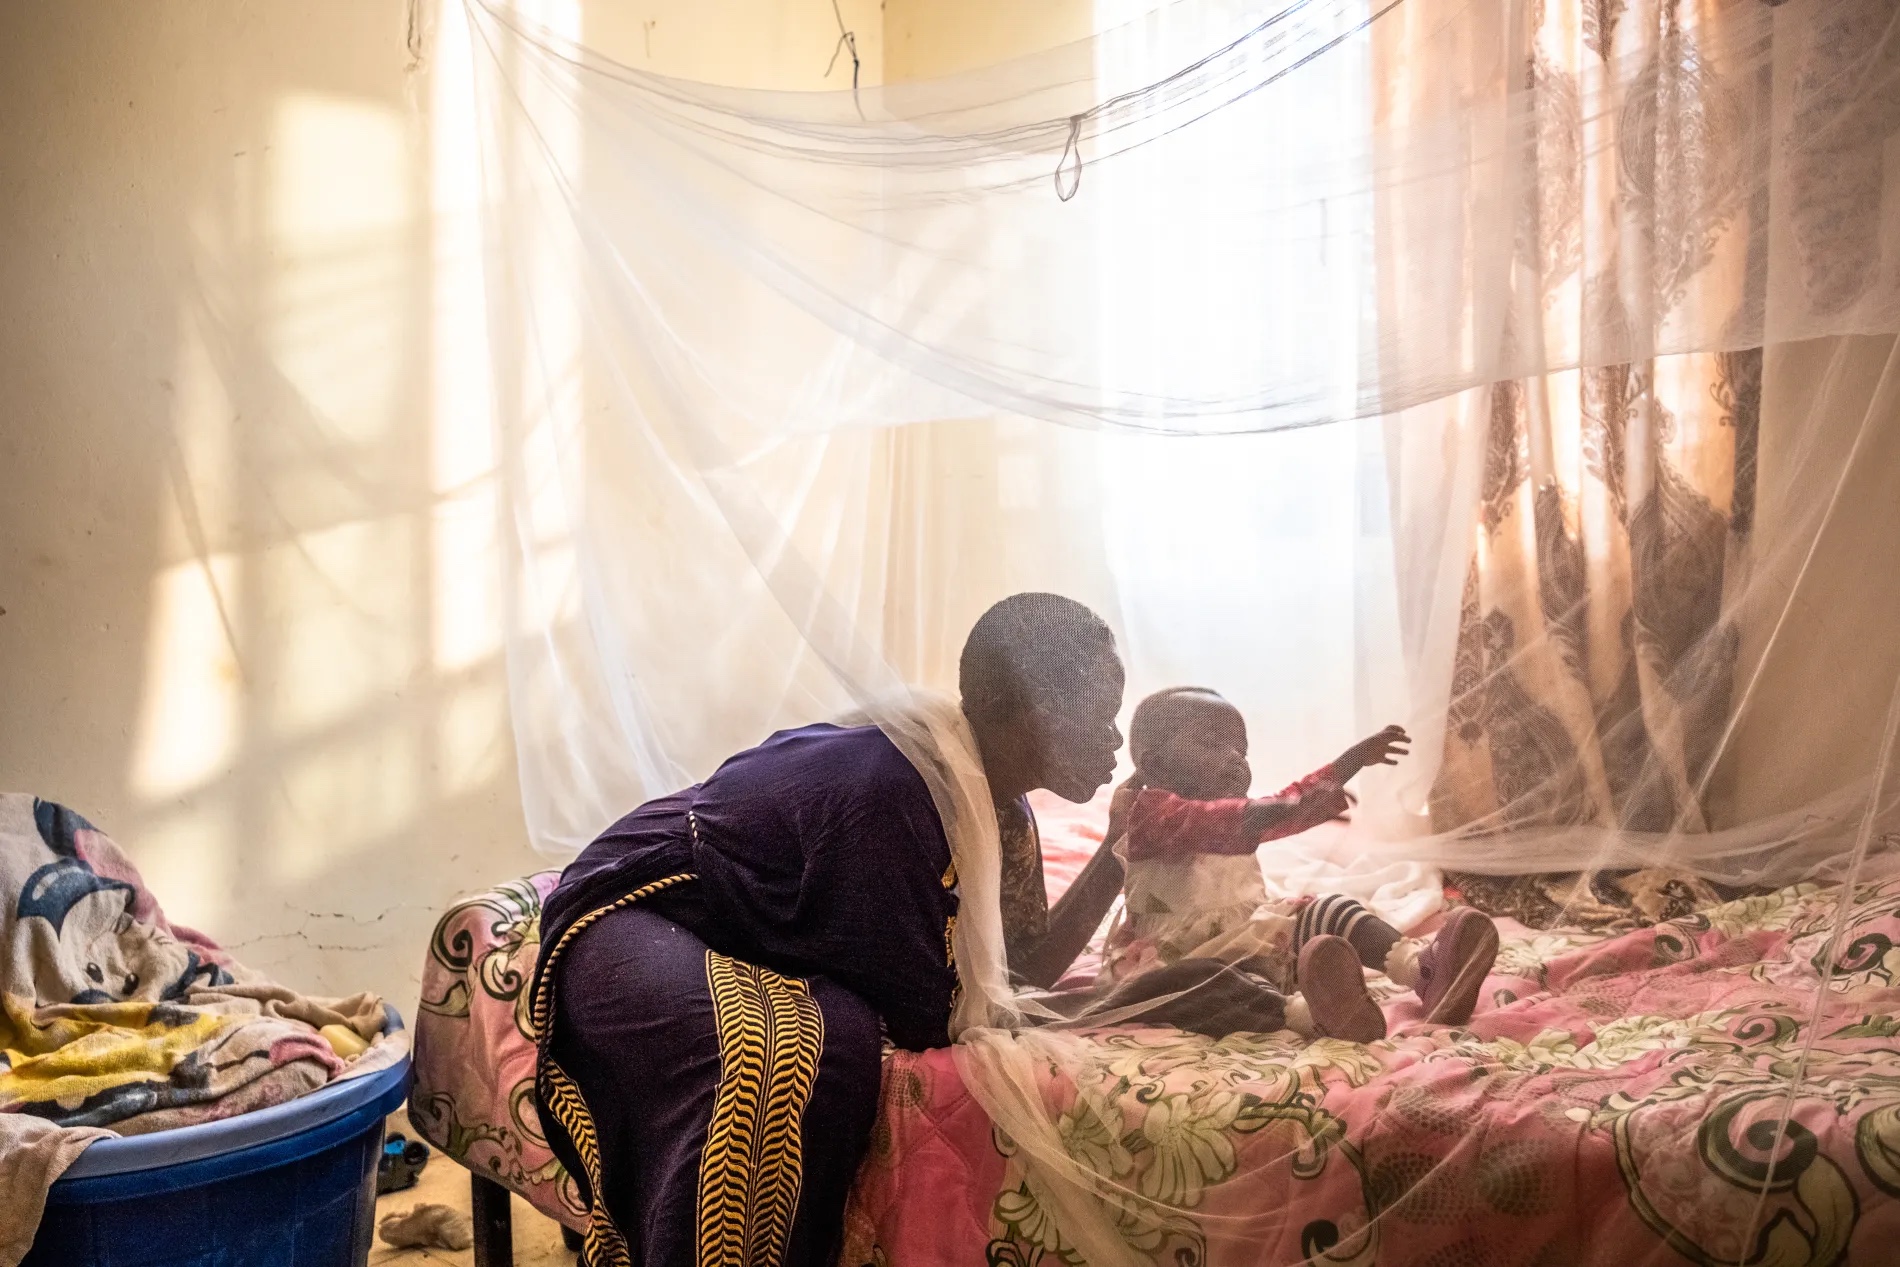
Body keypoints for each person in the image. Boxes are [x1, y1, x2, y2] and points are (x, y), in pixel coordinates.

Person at [529, 593, 1129, 1267]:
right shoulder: (889, 789)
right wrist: (1150, 994)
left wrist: (1116, 852)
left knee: (839, 1034)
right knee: (775, 1058)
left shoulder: (997, 810)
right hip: (645, 903)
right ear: (1027, 714)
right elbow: (934, 1016)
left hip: (738, 922)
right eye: (1099, 715)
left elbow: (1014, 977)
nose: (1115, 740)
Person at [1096, 687, 1500, 1039]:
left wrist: (1342, 770)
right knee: (1206, 982)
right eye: (1213, 744)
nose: (1235, 758)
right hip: (1178, 960)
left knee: (1329, 908)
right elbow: (1221, 823)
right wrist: (1299, 800)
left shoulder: (1235, 814)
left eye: (1241, 749)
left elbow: (1262, 811)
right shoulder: (1148, 812)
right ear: (1153, 765)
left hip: (1252, 939)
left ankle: (1424, 973)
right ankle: (1308, 1016)